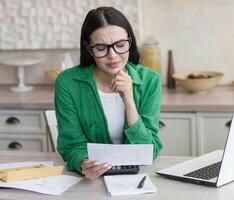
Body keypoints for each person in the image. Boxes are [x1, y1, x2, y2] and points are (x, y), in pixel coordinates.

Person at [55, 7, 163, 180]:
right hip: (90, 179)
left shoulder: (150, 80)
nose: (112, 56)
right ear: (89, 48)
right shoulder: (67, 83)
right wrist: (84, 163)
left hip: (138, 178)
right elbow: (71, 144)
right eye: (101, 48)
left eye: (120, 45)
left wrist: (128, 100)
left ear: (130, 42)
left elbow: (148, 150)